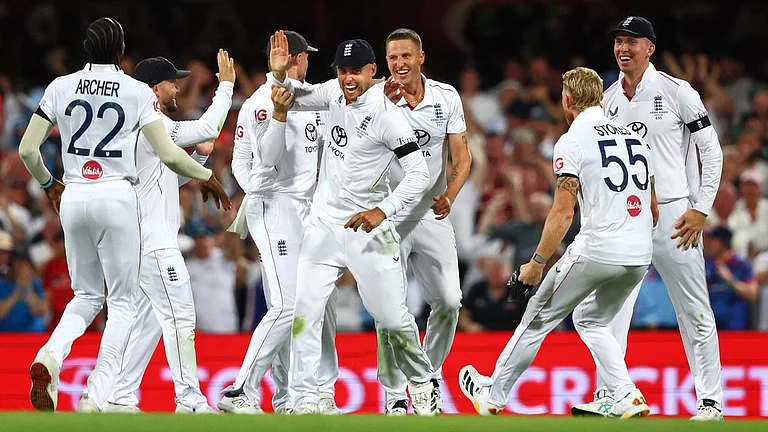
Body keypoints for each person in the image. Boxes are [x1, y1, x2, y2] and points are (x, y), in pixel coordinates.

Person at [17, 17, 230, 412]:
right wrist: (207, 175)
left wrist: (49, 185)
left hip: (74, 194)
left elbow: (28, 150)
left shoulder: (59, 87)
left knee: (86, 296)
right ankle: (98, 396)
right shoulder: (135, 92)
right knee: (125, 304)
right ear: (120, 52)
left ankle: (51, 353)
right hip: (117, 197)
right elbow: (168, 153)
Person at [458, 66, 656, 419]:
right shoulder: (636, 139)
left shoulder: (572, 139)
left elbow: (563, 213)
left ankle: (493, 395)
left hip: (599, 247)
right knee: (591, 321)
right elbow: (652, 210)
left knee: (537, 316)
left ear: (567, 101)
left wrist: (536, 263)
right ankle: (627, 394)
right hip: (639, 254)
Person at [269, 31, 440, 415]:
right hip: (325, 223)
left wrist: (385, 210)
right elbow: (292, 98)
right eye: (342, 70)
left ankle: (423, 380)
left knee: (392, 322)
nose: (348, 79)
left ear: (372, 71)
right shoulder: (331, 93)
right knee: (305, 310)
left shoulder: (388, 116)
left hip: (369, 228)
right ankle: (304, 397)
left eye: (356, 72)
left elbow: (418, 174)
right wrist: (278, 76)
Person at [572, 16, 725, 421]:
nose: (623, 48)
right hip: (629, 215)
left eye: (632, 42)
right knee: (610, 310)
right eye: (619, 42)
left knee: (693, 308)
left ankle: (710, 401)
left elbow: (712, 151)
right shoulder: (606, 100)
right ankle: (612, 396)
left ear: (650, 48)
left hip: (677, 214)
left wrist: (701, 208)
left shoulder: (678, 92)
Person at [104, 50, 237, 414]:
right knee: (181, 315)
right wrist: (225, 86)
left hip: (141, 243)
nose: (177, 86)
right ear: (153, 87)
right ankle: (190, 400)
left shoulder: (136, 127)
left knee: (150, 321)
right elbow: (208, 127)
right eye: (172, 81)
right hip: (155, 245)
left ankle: (119, 396)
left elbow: (165, 178)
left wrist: (203, 161)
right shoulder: (152, 123)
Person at [221, 30, 340, 415]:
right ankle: (240, 391)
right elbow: (260, 160)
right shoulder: (261, 103)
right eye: (306, 57)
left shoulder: (312, 101)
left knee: (299, 305)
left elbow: (240, 159)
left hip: (306, 209)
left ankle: (289, 397)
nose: (309, 63)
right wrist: (256, 189)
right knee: (289, 305)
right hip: (276, 207)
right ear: (294, 59)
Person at [374, 28, 471, 415]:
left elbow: (462, 158)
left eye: (405, 56)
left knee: (449, 301)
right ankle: (396, 395)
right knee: (389, 309)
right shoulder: (374, 100)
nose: (398, 64)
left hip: (431, 212)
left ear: (420, 58)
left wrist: (450, 195)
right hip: (387, 214)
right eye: (392, 57)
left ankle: (426, 376)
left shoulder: (446, 97)